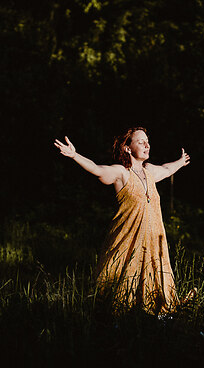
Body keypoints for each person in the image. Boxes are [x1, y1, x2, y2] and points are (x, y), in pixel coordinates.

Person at [54, 127, 191, 315]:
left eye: (147, 141)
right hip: (127, 240)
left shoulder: (149, 172)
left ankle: (156, 313)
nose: (147, 144)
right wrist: (74, 155)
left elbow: (167, 169)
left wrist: (181, 162)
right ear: (127, 148)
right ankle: (117, 318)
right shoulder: (122, 173)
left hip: (152, 241)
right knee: (121, 283)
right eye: (140, 141)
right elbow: (97, 169)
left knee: (155, 275)